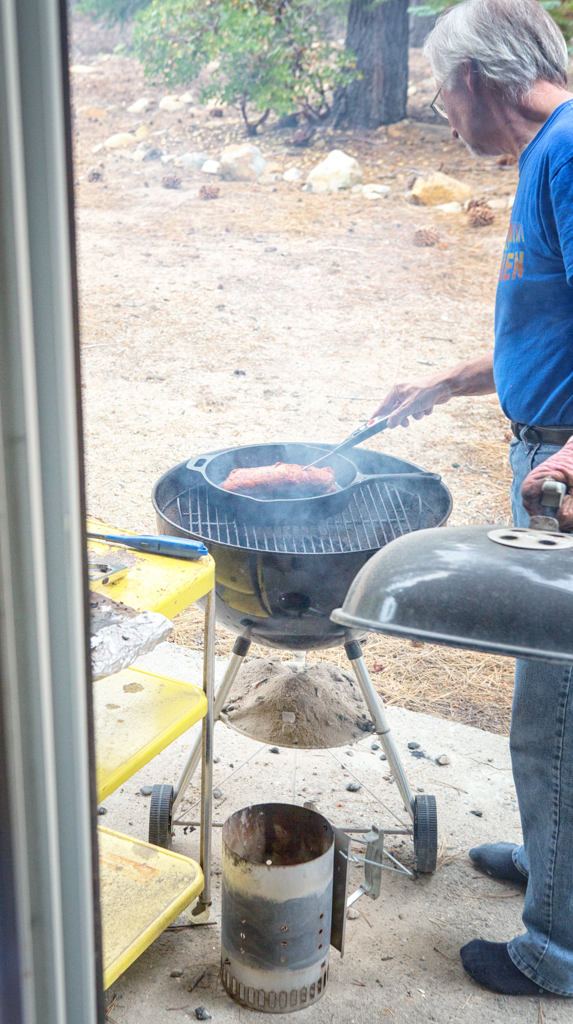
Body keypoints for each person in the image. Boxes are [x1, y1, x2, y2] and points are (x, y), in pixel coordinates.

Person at [372, 0, 573, 998]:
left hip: (563, 483)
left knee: (556, 713)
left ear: (473, 81)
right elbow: (551, 322)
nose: (443, 120)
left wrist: (567, 463)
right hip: (545, 456)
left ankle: (555, 949)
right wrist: (446, 383)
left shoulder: (572, 150)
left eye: (439, 95)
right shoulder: (552, 153)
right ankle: (557, 868)